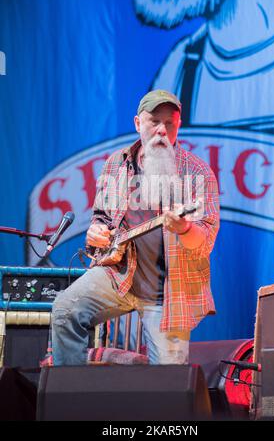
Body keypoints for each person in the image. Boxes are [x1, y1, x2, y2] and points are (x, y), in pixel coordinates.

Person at [51, 89, 220, 365]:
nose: (162, 130)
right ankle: (72, 398)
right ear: (137, 123)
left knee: (170, 387)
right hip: (119, 277)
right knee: (64, 309)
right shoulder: (117, 164)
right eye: (154, 121)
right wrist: (96, 232)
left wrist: (185, 228)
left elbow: (204, 242)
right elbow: (101, 218)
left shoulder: (197, 174)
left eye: (170, 123)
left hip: (169, 294)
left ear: (179, 126)